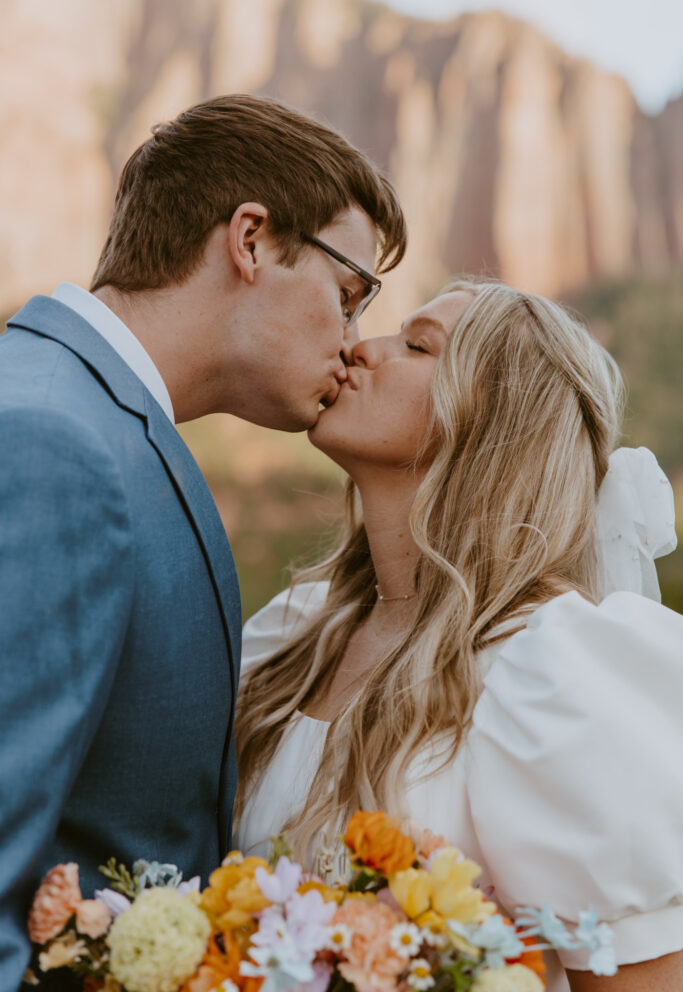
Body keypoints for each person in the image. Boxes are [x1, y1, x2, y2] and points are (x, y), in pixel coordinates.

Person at [0, 94, 406, 991]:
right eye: (347, 295)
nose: (353, 343)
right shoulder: (52, 442)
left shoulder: (110, 428)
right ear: (251, 240)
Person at [235, 279, 683, 992]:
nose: (357, 346)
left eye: (415, 346)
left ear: (492, 421)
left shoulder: (551, 673)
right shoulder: (290, 637)